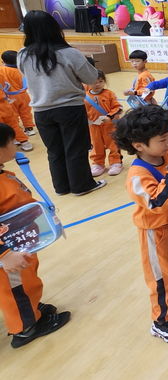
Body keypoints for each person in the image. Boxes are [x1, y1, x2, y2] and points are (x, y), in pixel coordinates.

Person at [113, 105, 168, 344]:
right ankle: (161, 320)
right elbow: (157, 203)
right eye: (163, 139)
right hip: (156, 230)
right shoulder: (137, 175)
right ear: (139, 145)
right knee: (161, 277)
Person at [17, 10, 105, 196]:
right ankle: (81, 185)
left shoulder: (23, 55)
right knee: (75, 147)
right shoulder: (69, 53)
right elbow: (90, 78)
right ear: (53, 28)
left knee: (54, 151)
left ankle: (62, 187)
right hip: (69, 108)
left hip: (41, 110)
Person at [0, 123, 71, 348]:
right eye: (12, 142)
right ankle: (26, 328)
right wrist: (5, 254)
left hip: (19, 242)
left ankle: (30, 309)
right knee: (16, 290)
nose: (15, 144)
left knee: (26, 283)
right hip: (8, 254)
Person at [84, 70, 123, 177]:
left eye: (100, 81)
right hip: (94, 127)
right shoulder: (85, 97)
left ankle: (116, 162)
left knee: (113, 144)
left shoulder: (109, 94)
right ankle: (98, 163)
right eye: (93, 82)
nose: (97, 84)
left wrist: (109, 116)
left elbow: (118, 107)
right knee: (96, 145)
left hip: (110, 126)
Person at [1, 50, 35, 136]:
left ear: (3, 61)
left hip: (10, 96)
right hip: (24, 95)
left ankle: (16, 132)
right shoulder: (22, 70)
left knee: (13, 115)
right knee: (26, 113)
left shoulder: (2, 69)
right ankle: (29, 128)